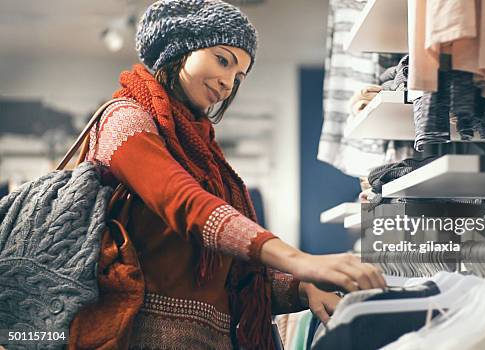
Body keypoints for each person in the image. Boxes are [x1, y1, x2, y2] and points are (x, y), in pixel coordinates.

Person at [70, 1, 386, 349]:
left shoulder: (203, 151)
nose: (227, 82)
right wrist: (300, 260)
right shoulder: (124, 120)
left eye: (239, 76)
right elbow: (182, 201)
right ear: (181, 48)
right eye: (223, 60)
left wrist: (302, 286)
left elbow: (229, 278)